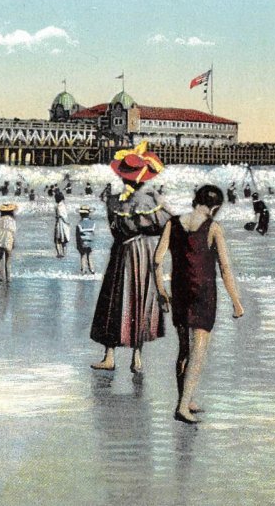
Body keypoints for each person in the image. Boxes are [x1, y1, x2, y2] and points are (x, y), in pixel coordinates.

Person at [154, 185, 244, 424]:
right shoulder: (213, 228)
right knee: (199, 352)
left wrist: (161, 291)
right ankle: (183, 407)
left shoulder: (173, 223)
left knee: (184, 348)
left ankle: (185, 399)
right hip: (203, 293)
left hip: (180, 291)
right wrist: (236, 302)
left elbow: (157, 260)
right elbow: (225, 268)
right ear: (215, 207)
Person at [90, 144, 173, 374]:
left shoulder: (113, 201)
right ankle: (137, 358)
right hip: (142, 252)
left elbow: (114, 229)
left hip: (120, 252)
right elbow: (168, 223)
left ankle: (109, 355)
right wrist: (158, 200)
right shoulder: (148, 201)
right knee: (140, 300)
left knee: (113, 301)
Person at [0, 203, 17, 283]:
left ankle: (0, 277)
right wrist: (14, 242)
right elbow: (13, 231)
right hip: (8, 238)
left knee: (0, 258)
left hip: (0, 238)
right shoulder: (12, 220)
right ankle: (8, 277)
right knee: (8, 259)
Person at [76, 205, 96, 274]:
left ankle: (83, 270)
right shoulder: (92, 223)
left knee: (83, 255)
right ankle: (92, 269)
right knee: (90, 255)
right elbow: (93, 233)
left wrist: (78, 245)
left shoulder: (79, 224)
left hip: (83, 242)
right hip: (90, 242)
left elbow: (77, 235)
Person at [53, 192, 70, 258]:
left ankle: (59, 253)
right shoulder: (63, 206)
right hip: (63, 224)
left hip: (59, 223)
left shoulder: (57, 206)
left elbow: (59, 215)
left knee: (57, 240)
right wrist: (67, 222)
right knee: (64, 240)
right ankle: (64, 253)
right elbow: (64, 216)